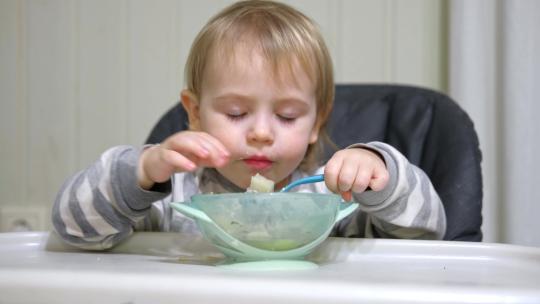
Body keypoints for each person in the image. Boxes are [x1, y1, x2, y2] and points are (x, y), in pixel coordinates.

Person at [52, 0, 446, 250]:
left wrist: (379, 174)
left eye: (287, 116)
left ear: (316, 122)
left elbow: (427, 236)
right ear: (194, 112)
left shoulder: (332, 201)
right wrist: (141, 172)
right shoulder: (172, 201)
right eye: (237, 113)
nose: (260, 132)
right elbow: (73, 228)